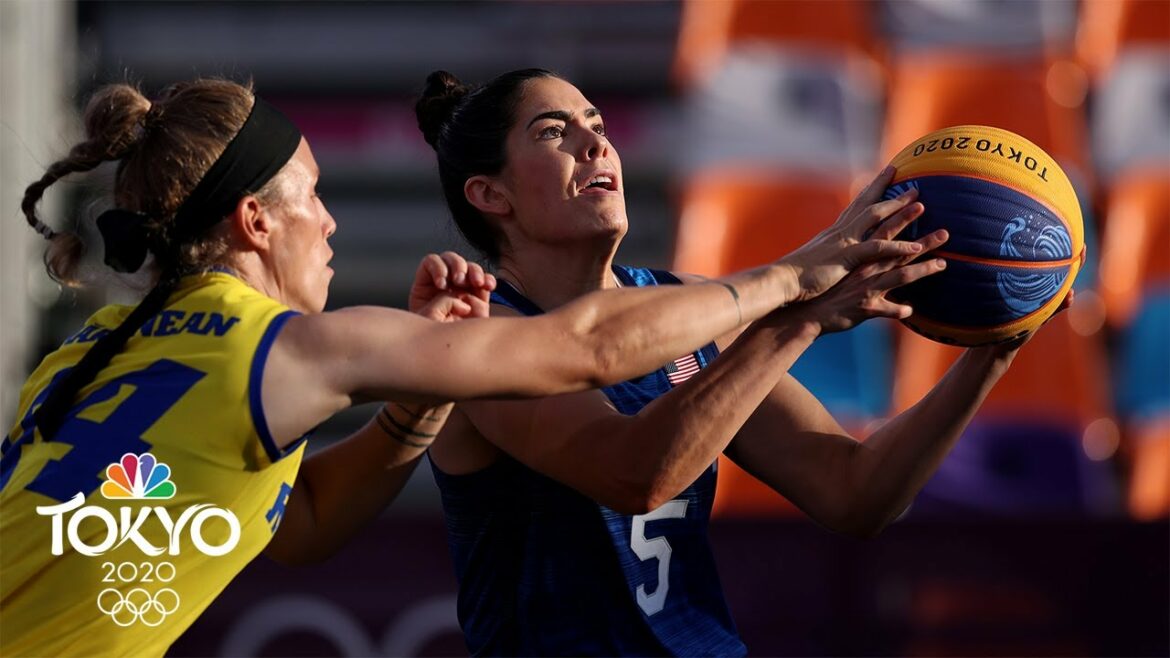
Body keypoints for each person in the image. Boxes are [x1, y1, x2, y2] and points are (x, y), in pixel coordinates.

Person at [0, 78, 925, 657]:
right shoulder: (290, 347)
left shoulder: (87, 358)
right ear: (254, 223)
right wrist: (789, 279)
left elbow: (302, 520)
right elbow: (589, 351)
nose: (329, 224)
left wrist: (416, 408)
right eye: (312, 197)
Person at [415, 68, 1067, 656]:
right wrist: (799, 317)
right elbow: (634, 473)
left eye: (598, 125)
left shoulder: (684, 305)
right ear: (490, 195)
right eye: (554, 132)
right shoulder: (478, 336)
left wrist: (998, 343)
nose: (595, 144)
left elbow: (855, 492)